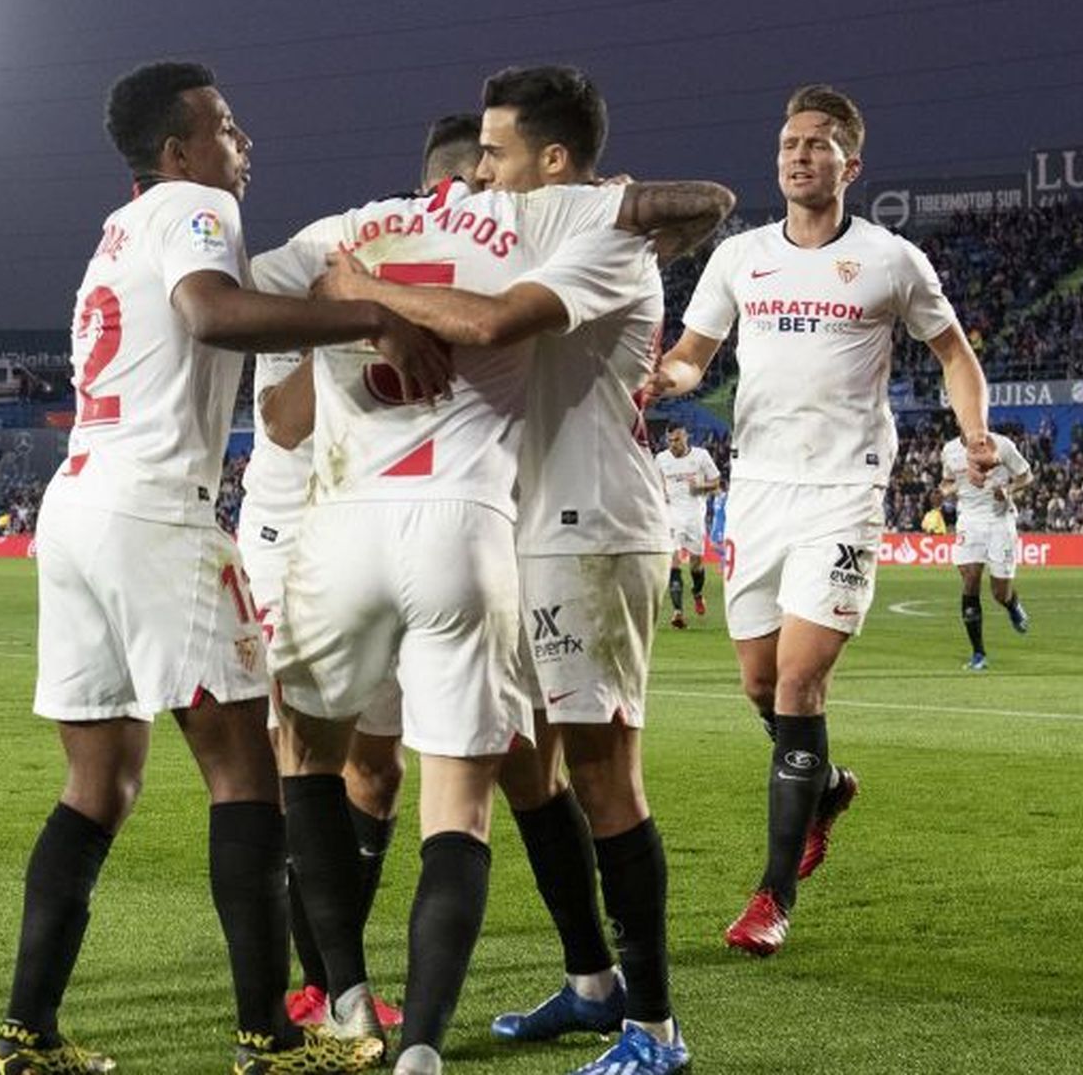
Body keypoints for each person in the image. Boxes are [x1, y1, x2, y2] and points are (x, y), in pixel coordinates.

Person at [0, 60, 446, 1075]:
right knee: (249, 775)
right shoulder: (194, 206)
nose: (243, 147)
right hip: (155, 511)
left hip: (77, 508)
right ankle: (268, 1040)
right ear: (176, 151)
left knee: (95, 784)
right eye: (227, 128)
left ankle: (26, 1036)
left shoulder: (116, 233)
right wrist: (374, 315)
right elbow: (211, 313)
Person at [253, 165, 732, 1073]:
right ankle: (560, 994)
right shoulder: (519, 235)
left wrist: (360, 296)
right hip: (488, 532)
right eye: (472, 172)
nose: (483, 184)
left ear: (551, 163)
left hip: (574, 529)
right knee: (506, 778)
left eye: (496, 160)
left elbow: (483, 321)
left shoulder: (566, 235)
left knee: (591, 775)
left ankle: (651, 1026)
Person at [645, 84, 994, 957]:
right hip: (756, 491)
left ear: (851, 163)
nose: (798, 155)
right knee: (761, 688)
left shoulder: (892, 261)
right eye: (788, 143)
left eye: (816, 144)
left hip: (844, 492)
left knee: (800, 685)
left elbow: (953, 351)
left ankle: (772, 897)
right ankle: (827, 783)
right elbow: (694, 356)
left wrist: (976, 433)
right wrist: (664, 381)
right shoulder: (740, 258)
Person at [240, 113, 486, 1035]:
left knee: (376, 773)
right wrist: (360, 316)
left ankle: (332, 969)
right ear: (447, 188)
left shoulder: (486, 276)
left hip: (393, 532)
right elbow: (283, 422)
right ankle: (317, 983)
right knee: (295, 755)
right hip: (292, 530)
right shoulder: (333, 250)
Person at [939, 427, 1033, 670]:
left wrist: (1009, 490)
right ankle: (979, 653)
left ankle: (1011, 604)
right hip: (969, 521)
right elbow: (947, 482)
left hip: (1000, 521)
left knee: (999, 592)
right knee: (970, 580)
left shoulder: (1002, 445)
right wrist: (946, 491)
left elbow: (1026, 476)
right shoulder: (949, 450)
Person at [655, 425, 723, 630]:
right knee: (673, 562)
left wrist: (700, 487)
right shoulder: (661, 459)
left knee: (696, 565)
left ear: (685, 437)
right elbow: (655, 483)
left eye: (676, 440)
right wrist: (660, 493)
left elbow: (716, 483)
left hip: (694, 516)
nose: (672, 444)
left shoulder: (701, 456)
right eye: (670, 440)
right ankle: (678, 612)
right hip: (671, 515)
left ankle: (697, 593)